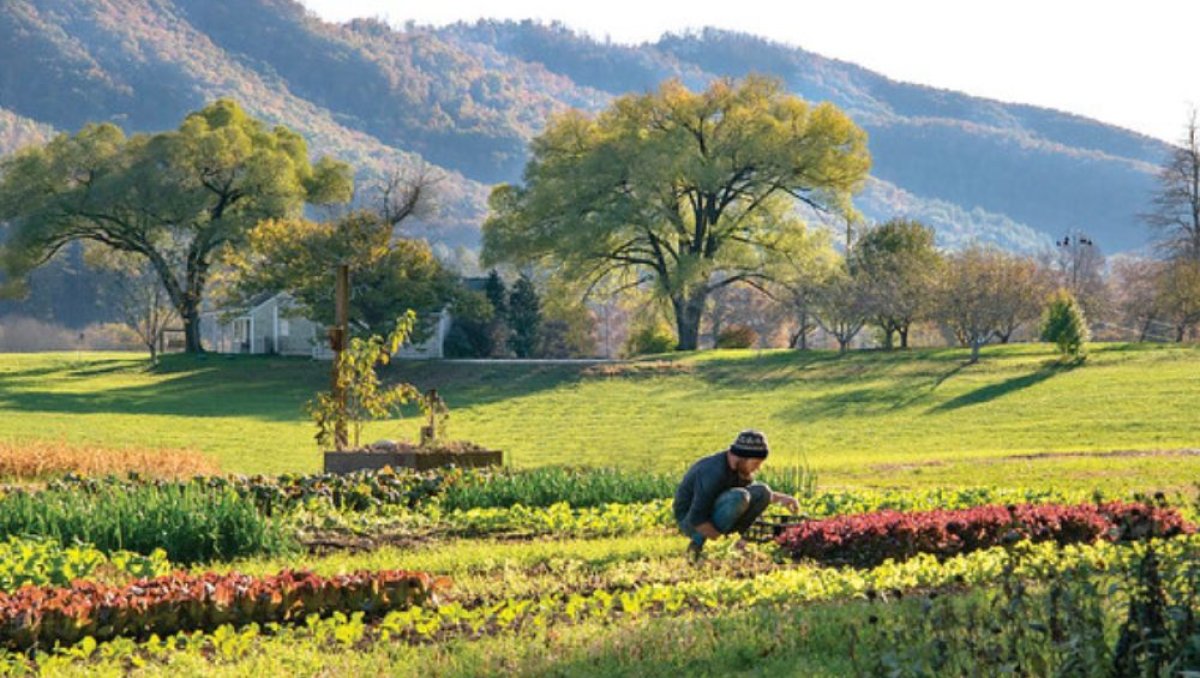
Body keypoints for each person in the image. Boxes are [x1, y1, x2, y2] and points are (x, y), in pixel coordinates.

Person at [673, 430, 800, 558]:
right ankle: (696, 546)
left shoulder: (740, 469)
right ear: (743, 457)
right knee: (739, 497)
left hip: (714, 511)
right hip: (690, 521)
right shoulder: (713, 472)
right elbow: (697, 517)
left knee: (763, 492)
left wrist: (783, 499)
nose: (758, 468)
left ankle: (741, 541)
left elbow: (754, 493)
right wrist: (724, 543)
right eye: (755, 463)